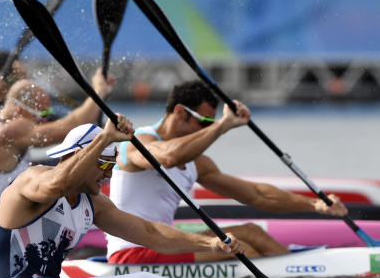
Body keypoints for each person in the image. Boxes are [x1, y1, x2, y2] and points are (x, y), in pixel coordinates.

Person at [0, 117, 245, 278]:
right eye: (105, 165)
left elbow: (150, 234)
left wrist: (210, 244)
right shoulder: (32, 180)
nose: (110, 174)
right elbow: (58, 184)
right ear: (80, 155)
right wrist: (105, 138)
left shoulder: (93, 204)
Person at [105, 80, 347, 263]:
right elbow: (168, 157)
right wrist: (222, 125)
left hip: (166, 244)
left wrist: (315, 206)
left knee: (252, 232)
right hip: (132, 253)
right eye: (205, 122)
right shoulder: (136, 143)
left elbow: (255, 195)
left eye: (211, 123)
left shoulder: (196, 162)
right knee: (244, 251)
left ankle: (296, 277)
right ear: (179, 112)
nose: (207, 130)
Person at [0, 68, 112, 242]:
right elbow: (75, 126)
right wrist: (99, 91)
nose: (44, 120)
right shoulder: (11, 130)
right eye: (42, 113)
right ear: (20, 109)